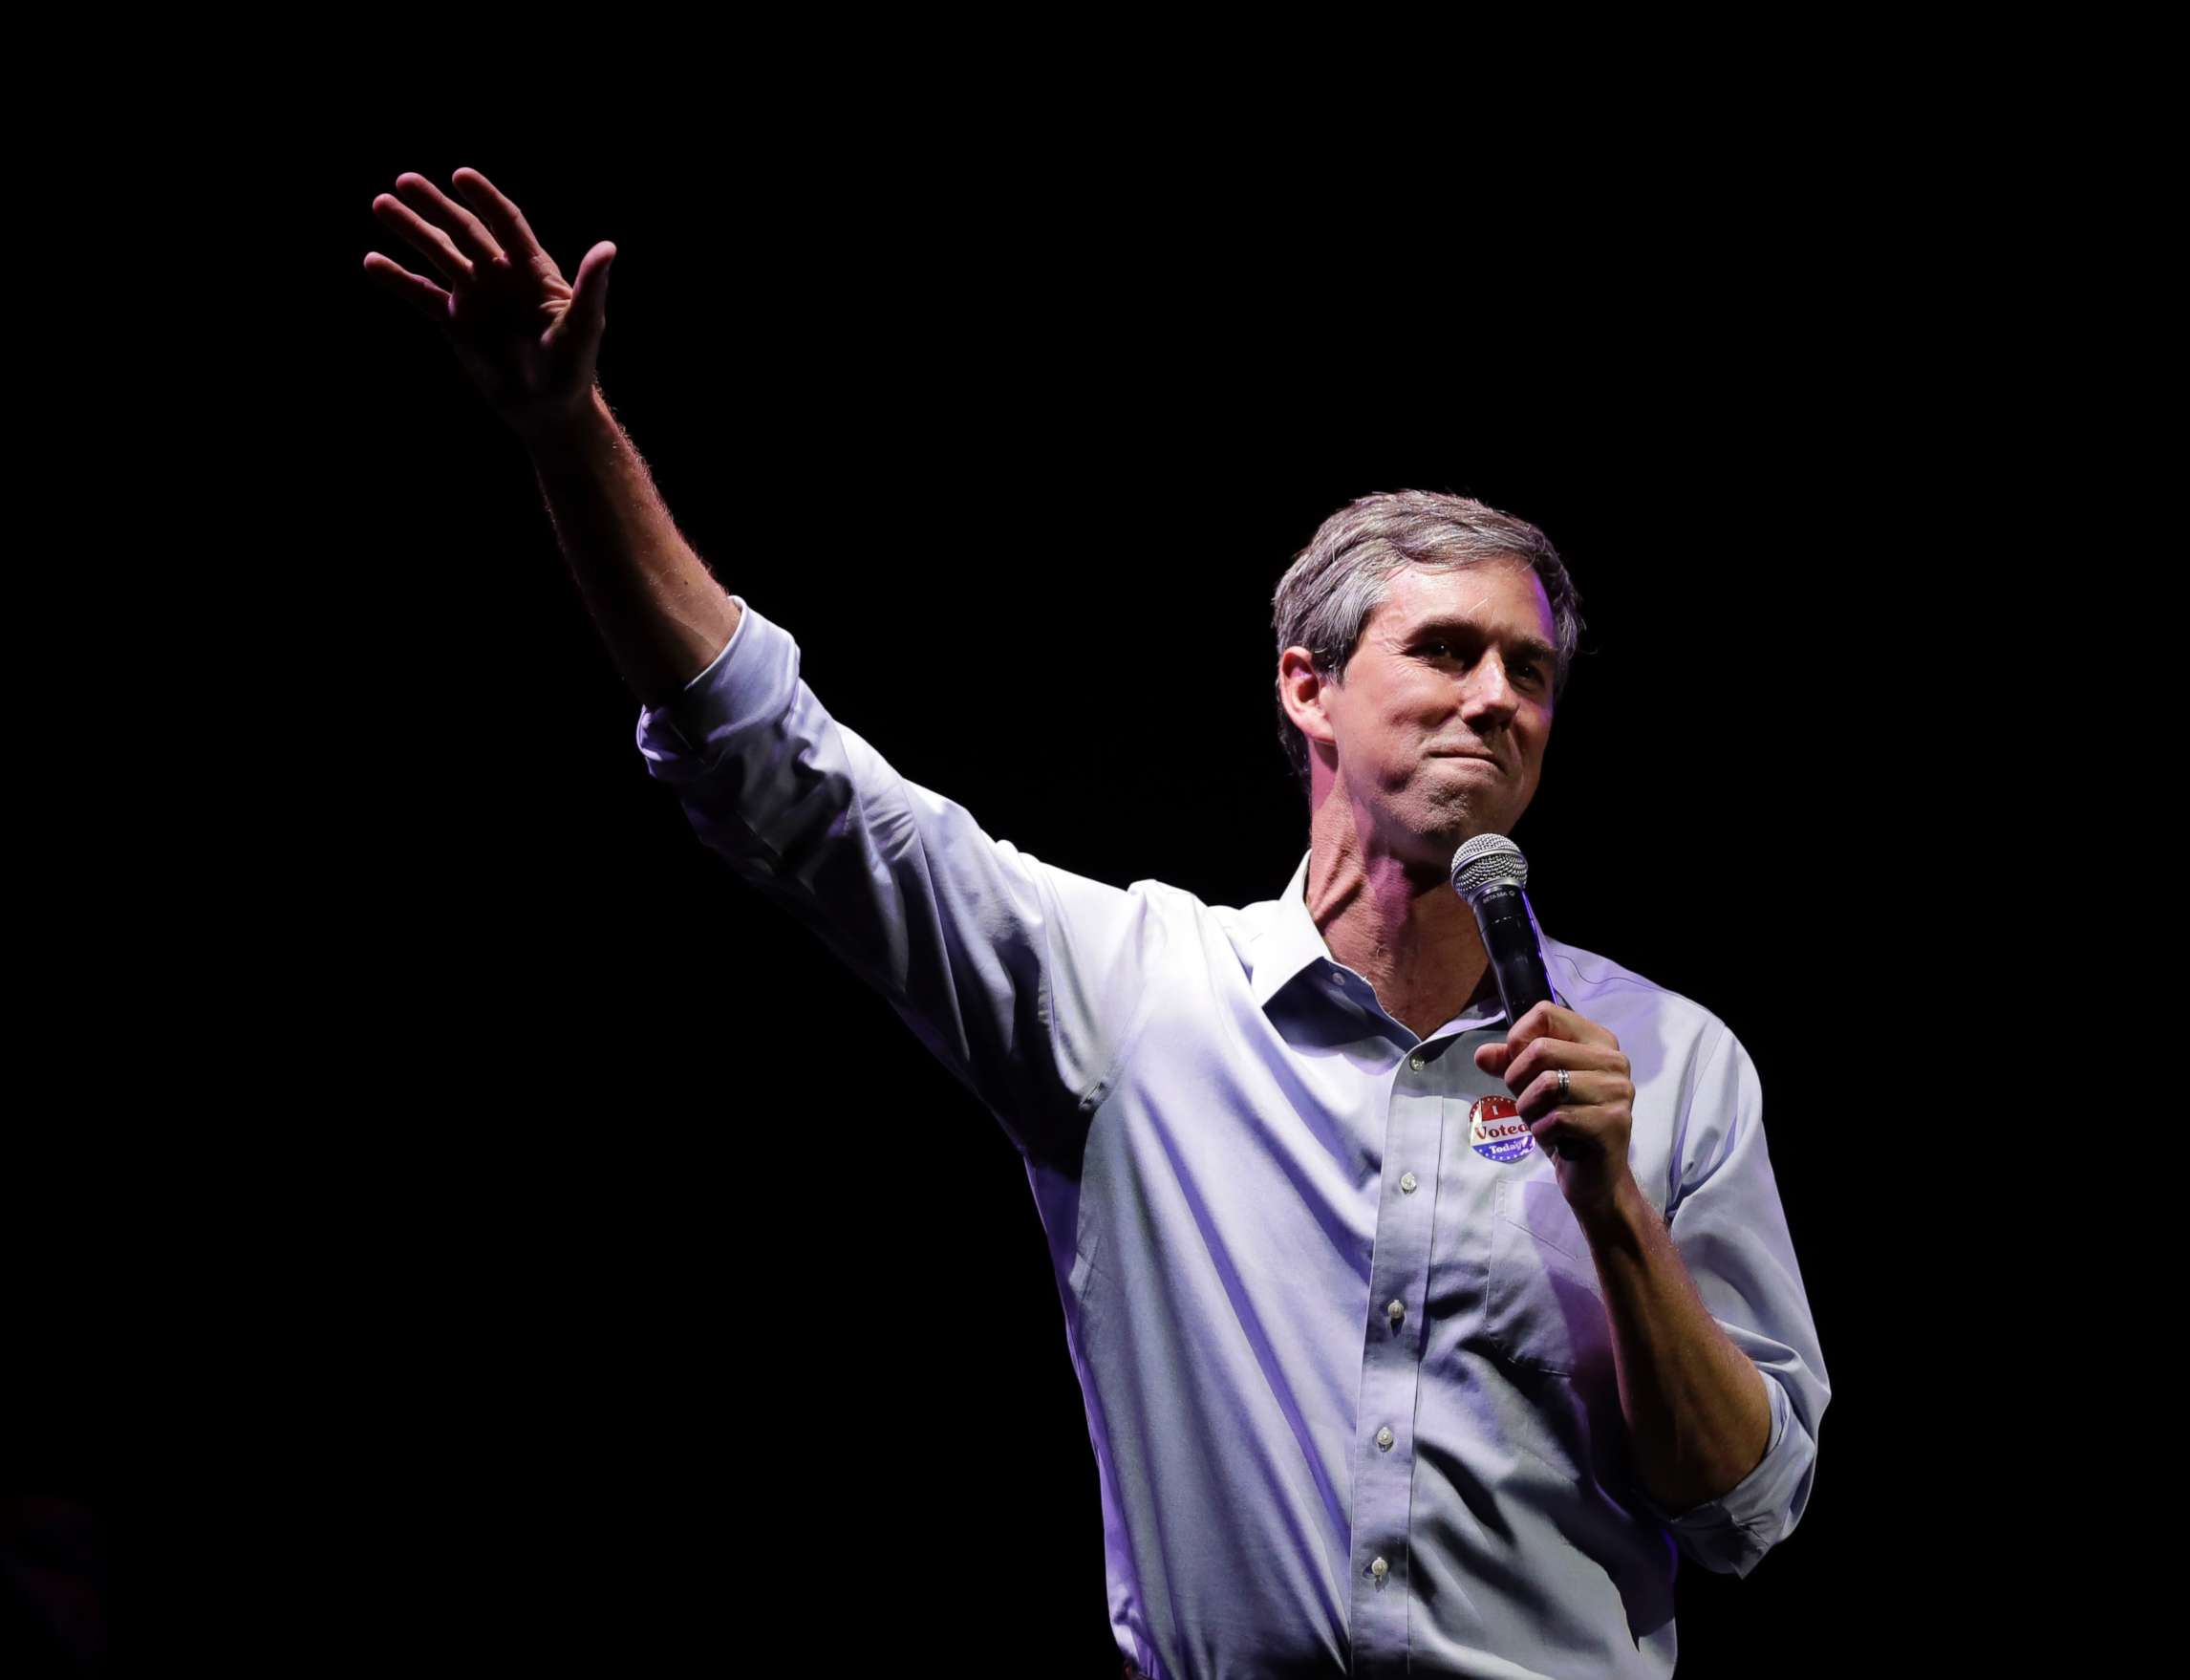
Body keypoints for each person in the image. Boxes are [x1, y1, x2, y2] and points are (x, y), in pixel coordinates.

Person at [366, 167, 1829, 1680]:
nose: (1496, 701)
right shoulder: (1136, 998)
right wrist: (569, 437)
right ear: (1306, 687)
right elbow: (783, 778)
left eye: (1530, 674)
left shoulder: (1674, 1061)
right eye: (1448, 651)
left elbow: (1748, 1507)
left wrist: (1615, 1208)